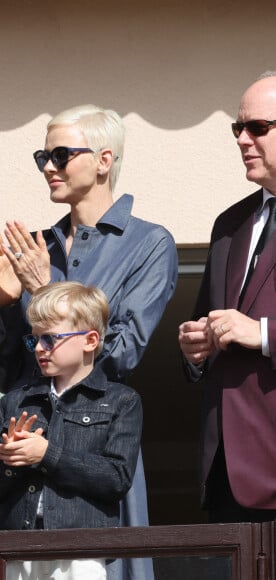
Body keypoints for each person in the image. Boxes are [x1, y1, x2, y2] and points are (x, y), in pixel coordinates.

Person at [0, 104, 177, 579]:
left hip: (93, 458)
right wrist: (8, 305)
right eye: (42, 157)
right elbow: (7, 374)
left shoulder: (149, 244)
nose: (49, 167)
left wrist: (45, 291)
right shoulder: (35, 246)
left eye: (61, 154)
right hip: (21, 467)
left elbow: (120, 356)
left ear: (104, 160)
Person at [0, 281, 142, 580]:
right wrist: (10, 464)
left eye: (50, 339)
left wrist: (45, 454)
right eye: (34, 340)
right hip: (17, 549)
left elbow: (116, 478)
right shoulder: (14, 402)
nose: (39, 348)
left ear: (90, 340)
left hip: (81, 552)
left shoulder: (120, 401)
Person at [178, 71, 276, 523]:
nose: (242, 139)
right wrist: (196, 348)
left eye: (257, 128)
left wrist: (262, 333)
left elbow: (252, 331)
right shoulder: (229, 224)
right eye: (237, 128)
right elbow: (208, 323)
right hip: (227, 476)